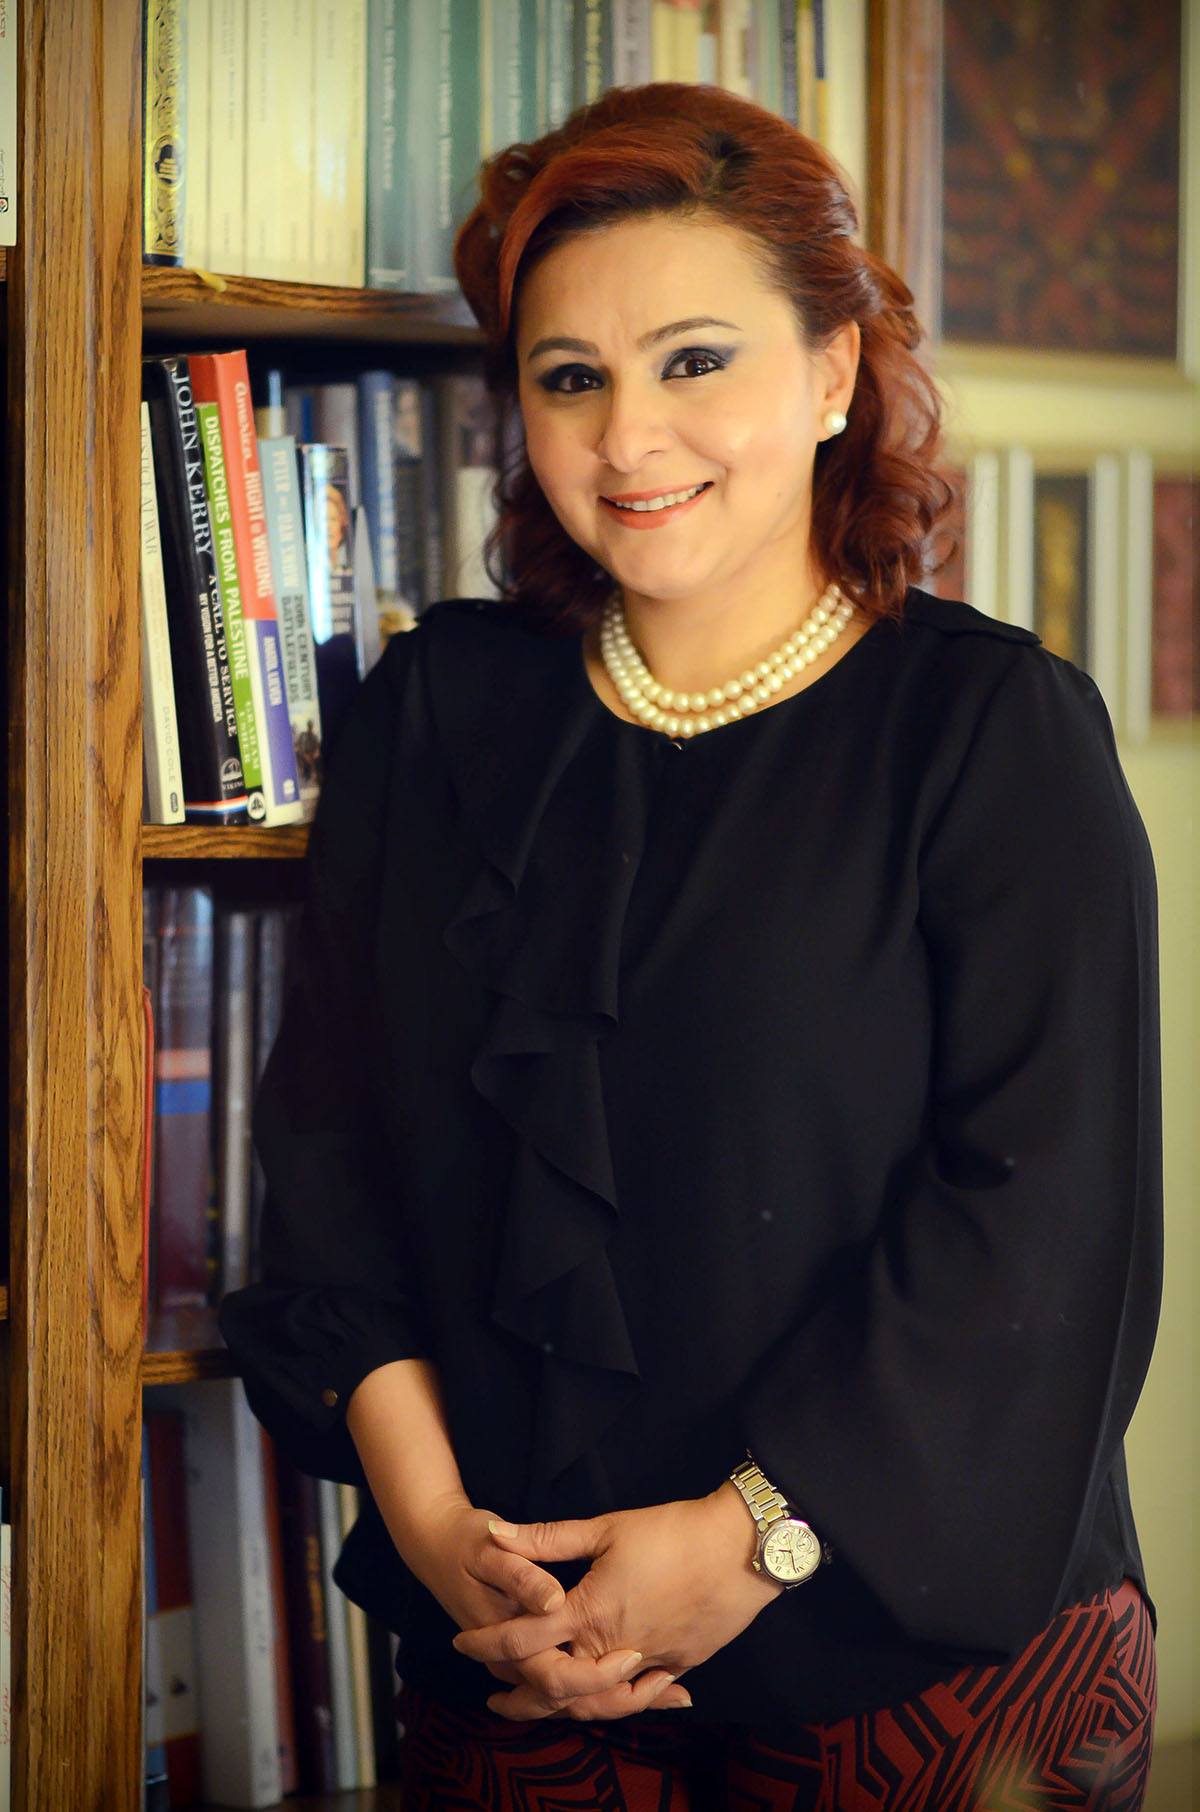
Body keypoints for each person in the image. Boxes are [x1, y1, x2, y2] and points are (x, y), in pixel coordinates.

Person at [219, 84, 1162, 1811]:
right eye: (571, 376)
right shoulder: (434, 713)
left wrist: (754, 1539)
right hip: (511, 1658)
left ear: (833, 374)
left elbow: (1045, 1222)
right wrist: (439, 1540)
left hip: (911, 1663)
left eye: (696, 360)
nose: (629, 436)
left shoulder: (990, 729)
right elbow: (331, 1168)